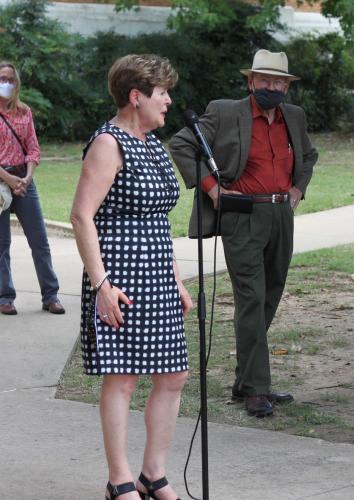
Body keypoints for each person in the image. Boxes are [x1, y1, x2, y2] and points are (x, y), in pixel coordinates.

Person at [169, 49, 318, 418]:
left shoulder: (294, 116)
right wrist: (212, 188)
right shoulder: (225, 111)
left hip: (282, 211)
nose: (271, 86)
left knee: (270, 294)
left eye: (278, 81)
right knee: (251, 296)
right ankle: (256, 388)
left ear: (287, 86)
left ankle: (245, 380)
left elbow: (309, 156)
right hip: (243, 214)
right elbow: (182, 144)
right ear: (250, 82)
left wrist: (298, 188)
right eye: (264, 80)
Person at [71, 54, 193, 500]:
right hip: (118, 276)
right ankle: (119, 478)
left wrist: (176, 278)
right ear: (136, 96)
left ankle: (153, 474)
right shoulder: (109, 143)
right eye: (162, 92)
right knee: (122, 378)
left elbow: (159, 219)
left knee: (173, 376)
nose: (169, 100)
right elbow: (82, 217)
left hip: (158, 273)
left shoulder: (154, 145)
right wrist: (101, 285)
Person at [0, 61, 65, 316]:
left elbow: (33, 148)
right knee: (1, 245)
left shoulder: (24, 112)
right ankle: (5, 297)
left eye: (10, 79)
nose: (5, 83)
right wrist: (8, 178)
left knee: (39, 241)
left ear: (16, 84)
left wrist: (26, 178)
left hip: (24, 181)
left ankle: (51, 295)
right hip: (1, 181)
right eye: (1, 78)